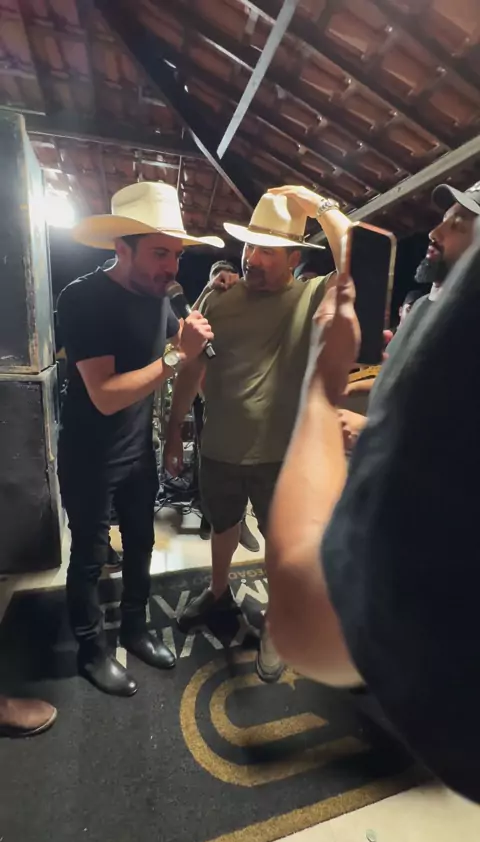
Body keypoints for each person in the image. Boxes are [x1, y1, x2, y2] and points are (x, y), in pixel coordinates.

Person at [265, 212, 480, 802]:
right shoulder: (430, 307)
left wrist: (322, 382)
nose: (436, 229)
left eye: (461, 221)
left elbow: (311, 619)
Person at [164, 185, 351, 682]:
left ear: (294, 258)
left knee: (279, 544)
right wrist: (174, 429)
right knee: (222, 525)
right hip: (219, 447)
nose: (253, 258)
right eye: (250, 246)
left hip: (279, 455)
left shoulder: (311, 295)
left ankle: (276, 623)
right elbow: (191, 365)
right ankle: (218, 593)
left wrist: (320, 206)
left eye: (269, 250)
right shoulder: (218, 295)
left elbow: (357, 259)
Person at [57, 182, 220, 697]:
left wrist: (172, 436)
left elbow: (187, 363)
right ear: (120, 248)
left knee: (142, 544)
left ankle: (133, 628)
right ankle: (90, 650)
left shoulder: (160, 297)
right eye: (159, 253)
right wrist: (177, 355)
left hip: (137, 450)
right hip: (89, 454)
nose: (171, 267)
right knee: (89, 556)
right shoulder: (83, 298)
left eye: (176, 254)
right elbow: (106, 395)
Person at [339, 183, 480, 450]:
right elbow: (413, 384)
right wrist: (354, 385)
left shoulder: (469, 324)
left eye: (457, 225)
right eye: (443, 220)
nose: (434, 233)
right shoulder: (423, 307)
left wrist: (372, 432)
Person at [190, 261, 260, 553]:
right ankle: (210, 516)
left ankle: (239, 521)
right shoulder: (205, 303)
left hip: (238, 397)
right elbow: (185, 328)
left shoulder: (243, 306)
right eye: (215, 278)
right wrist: (207, 289)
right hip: (204, 396)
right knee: (205, 457)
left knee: (241, 459)